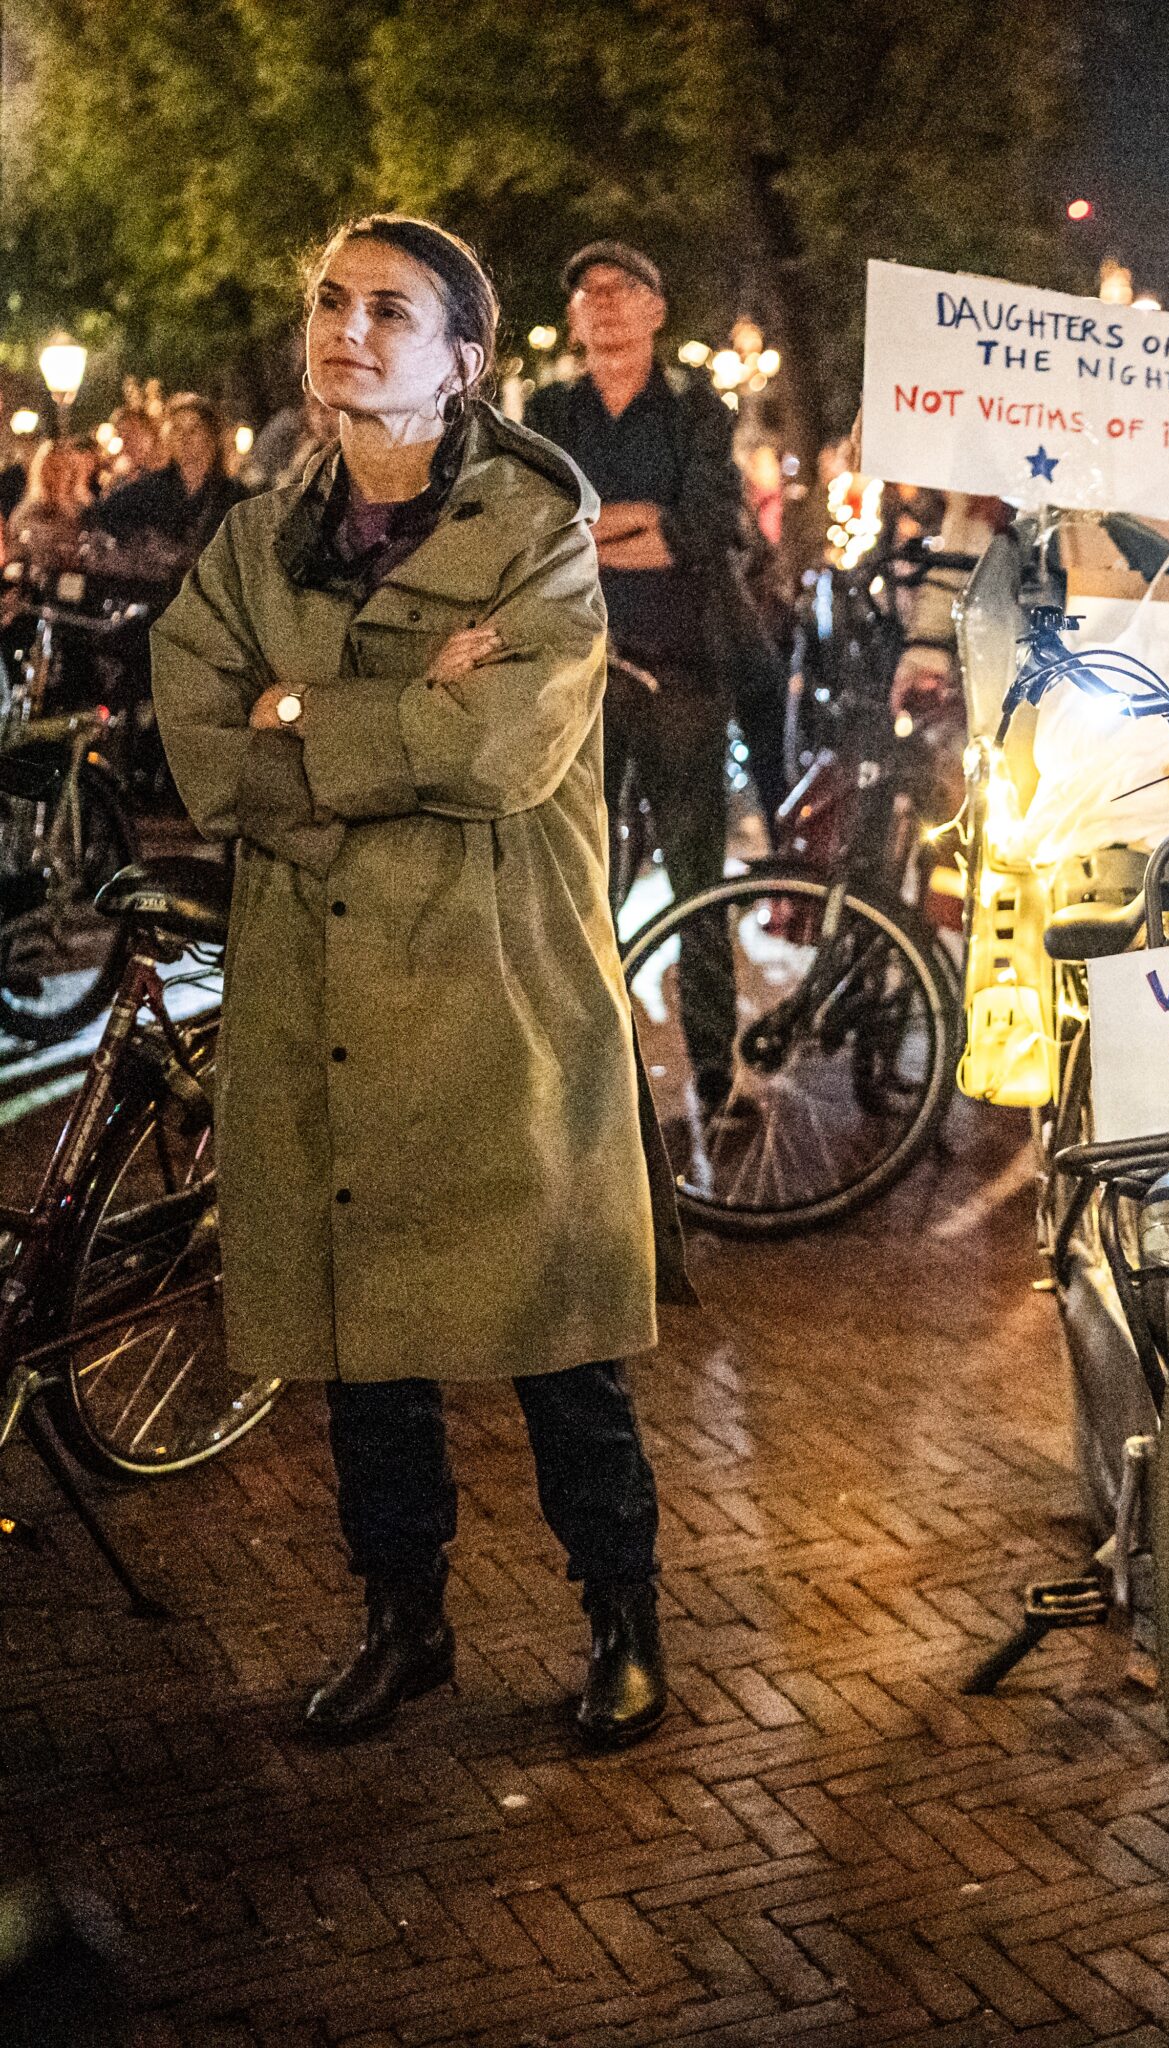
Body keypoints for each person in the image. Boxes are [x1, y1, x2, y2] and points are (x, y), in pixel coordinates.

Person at [148, 213, 675, 1750]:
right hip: (320, 998)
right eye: (331, 301)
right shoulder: (256, 539)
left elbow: (504, 748)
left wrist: (300, 711)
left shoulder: (535, 529)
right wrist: (381, 714)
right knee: (364, 1340)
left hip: (493, 988)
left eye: (393, 310)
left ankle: (624, 1621)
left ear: (463, 360)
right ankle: (404, 1622)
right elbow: (202, 735)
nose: (349, 329)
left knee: (558, 1336)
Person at [525, 239, 760, 1121]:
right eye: (588, 292)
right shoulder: (549, 413)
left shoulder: (700, 414)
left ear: (657, 310)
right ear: (575, 318)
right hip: (578, 676)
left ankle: (715, 1074)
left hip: (682, 673)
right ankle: (582, 1078)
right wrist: (638, 525)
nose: (605, 302)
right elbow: (540, 533)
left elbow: (698, 533)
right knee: (582, 880)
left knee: (699, 883)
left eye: (624, 288)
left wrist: (597, 531)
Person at [84, 393, 246, 559]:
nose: (184, 438)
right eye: (177, 429)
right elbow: (105, 515)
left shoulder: (233, 494)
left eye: (193, 429)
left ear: (210, 436)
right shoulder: (152, 488)